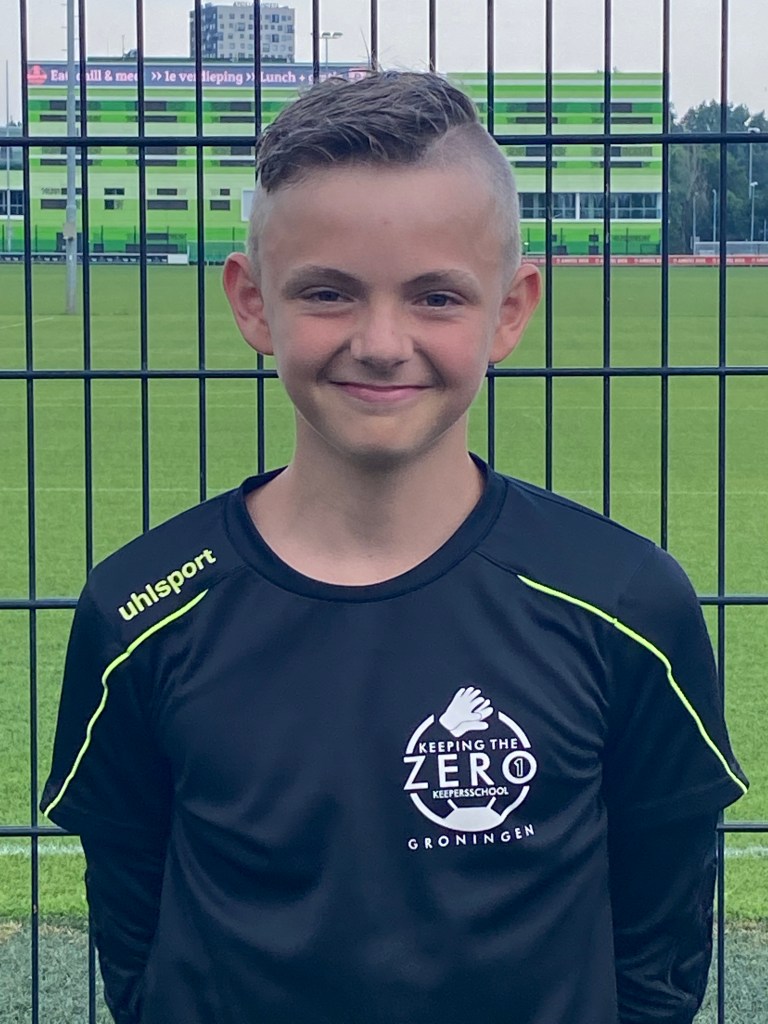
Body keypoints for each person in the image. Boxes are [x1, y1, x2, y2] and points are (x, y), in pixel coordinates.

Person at [41, 71, 748, 1024]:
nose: (381, 342)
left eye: (436, 297)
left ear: (510, 310)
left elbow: (661, 944)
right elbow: (135, 934)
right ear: (253, 303)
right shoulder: (139, 613)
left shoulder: (625, 603)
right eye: (328, 292)